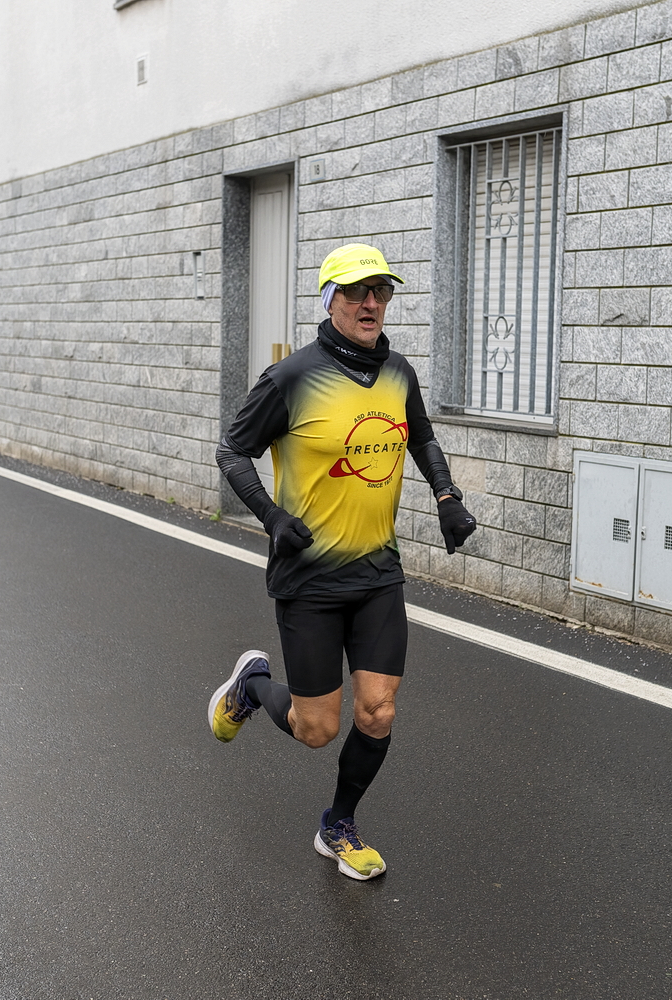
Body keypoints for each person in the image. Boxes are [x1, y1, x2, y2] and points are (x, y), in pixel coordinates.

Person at [210, 243, 477, 879]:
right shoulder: (292, 377)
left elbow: (421, 437)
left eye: (380, 291)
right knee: (316, 729)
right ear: (329, 301)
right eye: (356, 291)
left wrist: (447, 497)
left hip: (377, 572)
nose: (370, 303)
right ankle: (251, 686)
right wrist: (272, 516)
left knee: (378, 710)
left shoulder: (399, 374)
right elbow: (232, 451)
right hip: (309, 577)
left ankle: (338, 825)